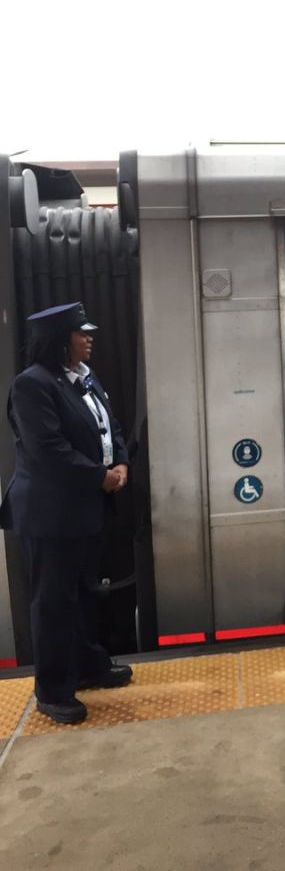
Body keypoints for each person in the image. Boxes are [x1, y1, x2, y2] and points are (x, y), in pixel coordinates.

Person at [0, 303, 132, 724]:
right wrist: (99, 477)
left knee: (83, 591)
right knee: (54, 601)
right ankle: (53, 690)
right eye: (81, 333)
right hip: (51, 512)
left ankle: (87, 665)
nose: (89, 338)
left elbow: (109, 427)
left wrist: (122, 462)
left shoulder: (84, 378)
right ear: (59, 341)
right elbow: (48, 452)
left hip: (84, 508)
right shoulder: (32, 385)